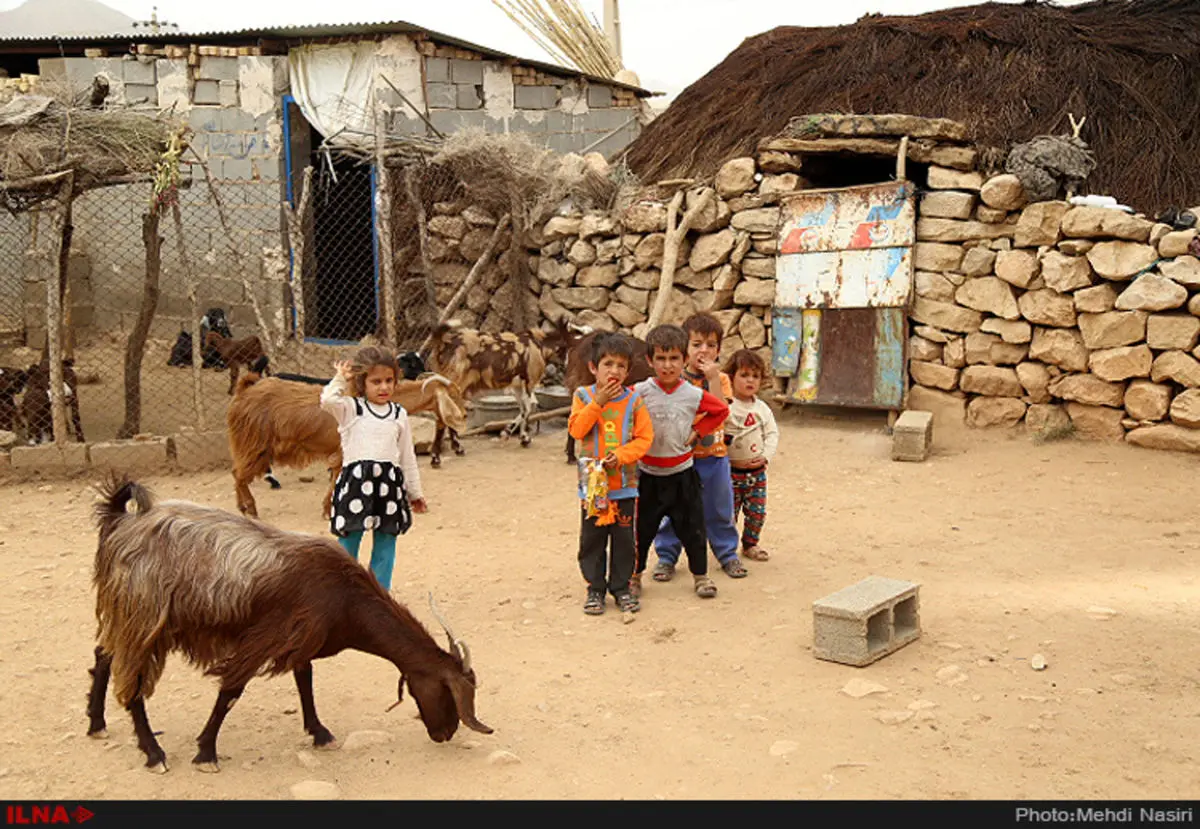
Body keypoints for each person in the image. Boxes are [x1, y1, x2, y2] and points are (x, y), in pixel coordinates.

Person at [631, 324, 730, 600]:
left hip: (683, 475)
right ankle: (634, 575)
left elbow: (720, 410)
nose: (667, 365)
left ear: (684, 360)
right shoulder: (639, 392)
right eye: (660, 359)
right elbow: (620, 413)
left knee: (693, 529)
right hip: (648, 475)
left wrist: (698, 432)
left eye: (674, 358)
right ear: (649, 360)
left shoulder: (692, 394)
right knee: (641, 530)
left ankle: (701, 576)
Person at [320, 346, 428, 591]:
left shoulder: (398, 414)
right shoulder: (350, 409)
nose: (384, 387)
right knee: (349, 542)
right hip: (356, 487)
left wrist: (415, 492)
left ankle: (379, 597)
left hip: (389, 488)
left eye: (389, 381)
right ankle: (341, 594)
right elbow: (327, 400)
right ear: (362, 382)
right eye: (376, 381)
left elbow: (406, 456)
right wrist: (340, 379)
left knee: (386, 543)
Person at [651, 311, 747, 583]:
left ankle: (727, 554)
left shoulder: (722, 379)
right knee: (673, 509)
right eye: (696, 344)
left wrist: (714, 378)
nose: (704, 351)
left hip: (714, 457)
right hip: (679, 459)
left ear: (719, 349)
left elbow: (721, 410)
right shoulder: (675, 379)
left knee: (719, 507)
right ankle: (667, 556)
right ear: (684, 348)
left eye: (711, 345)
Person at [567, 332, 654, 617]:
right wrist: (598, 403)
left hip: (624, 486)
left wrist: (623, 456)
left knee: (624, 540)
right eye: (607, 364)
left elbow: (644, 439)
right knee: (592, 539)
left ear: (629, 371)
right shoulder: (583, 396)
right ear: (594, 368)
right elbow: (577, 430)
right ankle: (595, 588)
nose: (614, 371)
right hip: (593, 489)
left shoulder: (634, 401)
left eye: (620, 365)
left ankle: (621, 588)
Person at [723, 349, 779, 562]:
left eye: (755, 376)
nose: (750, 381)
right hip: (729, 472)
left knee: (756, 513)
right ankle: (726, 550)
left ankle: (750, 544)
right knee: (729, 514)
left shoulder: (762, 409)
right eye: (744, 375)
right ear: (731, 377)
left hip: (757, 473)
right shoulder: (726, 406)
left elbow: (772, 433)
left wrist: (766, 456)